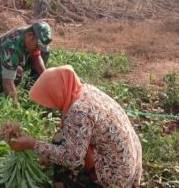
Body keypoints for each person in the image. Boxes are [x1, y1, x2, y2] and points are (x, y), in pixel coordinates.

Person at [7, 65, 142, 188]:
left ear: (56, 92)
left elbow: (72, 159)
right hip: (130, 165)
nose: (48, 103)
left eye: (49, 97)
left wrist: (33, 144)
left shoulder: (78, 112)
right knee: (61, 137)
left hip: (116, 178)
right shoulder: (85, 90)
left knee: (63, 155)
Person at [0, 21, 52, 103]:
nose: (38, 48)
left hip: (16, 60)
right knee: (17, 72)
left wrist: (46, 77)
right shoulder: (12, 46)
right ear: (30, 36)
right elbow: (8, 82)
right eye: (37, 45)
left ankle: (30, 92)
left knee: (44, 52)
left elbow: (37, 56)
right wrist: (17, 110)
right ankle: (1, 99)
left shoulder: (31, 35)